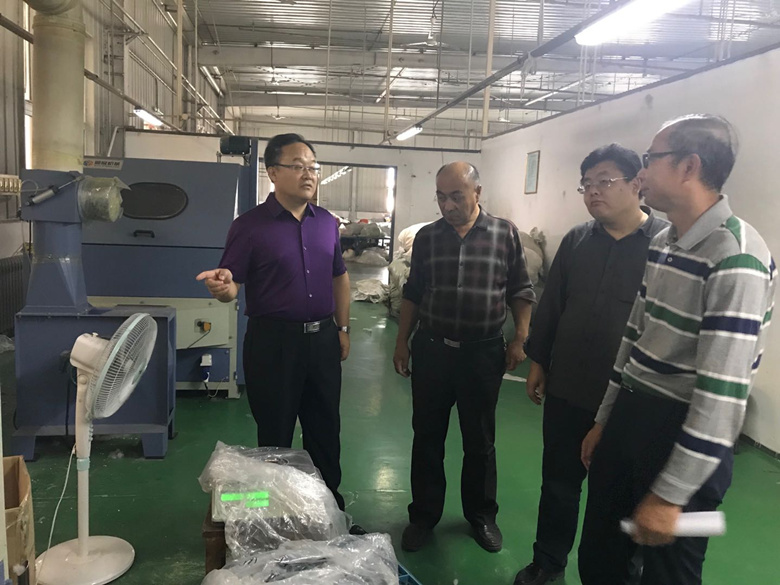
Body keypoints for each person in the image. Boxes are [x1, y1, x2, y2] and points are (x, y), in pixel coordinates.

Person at [578, 115, 776, 584]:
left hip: (681, 428)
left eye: (651, 159)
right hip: (632, 415)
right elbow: (635, 335)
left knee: (668, 576)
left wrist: (670, 494)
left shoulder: (736, 257)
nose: (642, 172)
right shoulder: (665, 240)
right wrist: (606, 419)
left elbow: (721, 397)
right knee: (601, 559)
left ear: (689, 166)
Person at [513, 144, 669, 585]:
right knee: (558, 484)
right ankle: (548, 561)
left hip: (629, 399)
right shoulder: (577, 241)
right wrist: (538, 361)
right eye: (587, 184)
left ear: (637, 184)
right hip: (569, 389)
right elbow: (553, 305)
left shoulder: (665, 245)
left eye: (605, 181)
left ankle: (618, 573)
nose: (593, 191)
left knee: (618, 495)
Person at [196, 133, 361, 531]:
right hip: (273, 343)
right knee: (275, 434)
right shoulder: (250, 227)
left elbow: (339, 277)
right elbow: (231, 284)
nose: (309, 174)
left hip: (322, 340)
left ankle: (329, 516)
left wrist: (342, 327)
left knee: (325, 430)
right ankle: (278, 522)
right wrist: (223, 288)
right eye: (298, 166)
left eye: (313, 167)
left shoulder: (327, 224)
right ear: (272, 173)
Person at [393, 161, 536, 553]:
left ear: (478, 192)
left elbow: (521, 289)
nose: (448, 205)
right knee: (427, 436)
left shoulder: (504, 234)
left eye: (456, 196)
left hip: (482, 354)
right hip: (433, 351)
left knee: (480, 440)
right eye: (441, 197)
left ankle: (481, 516)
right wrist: (402, 341)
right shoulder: (427, 238)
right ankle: (423, 516)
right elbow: (413, 292)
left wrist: (520, 338)